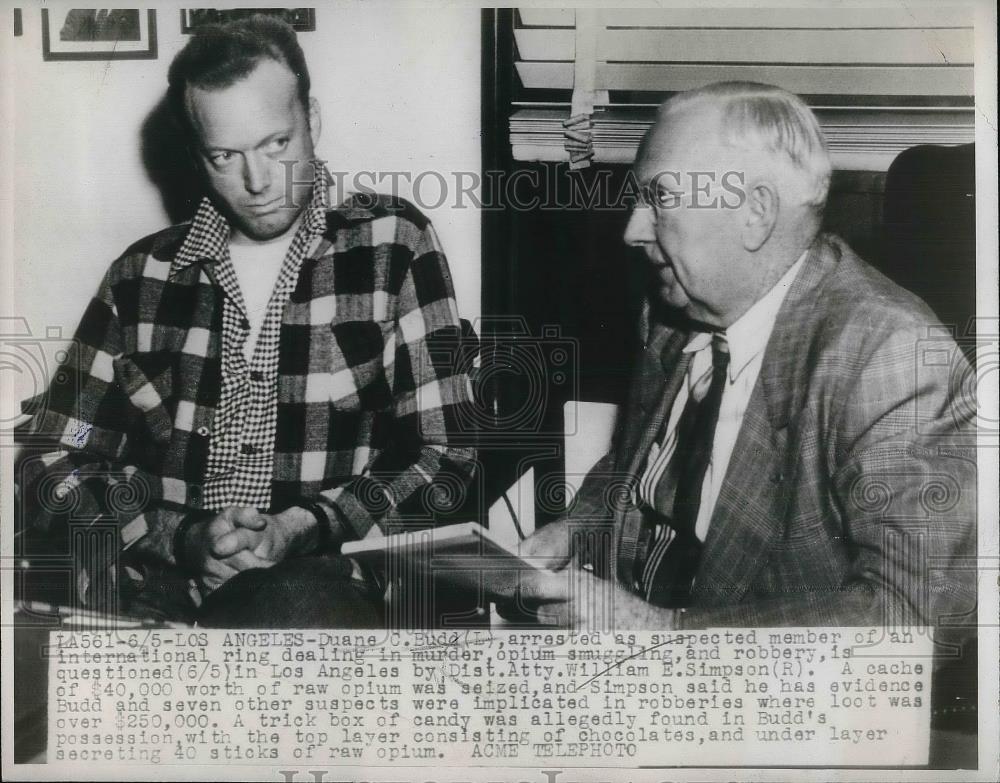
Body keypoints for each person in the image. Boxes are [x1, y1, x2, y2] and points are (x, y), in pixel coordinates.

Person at [16, 15, 476, 625]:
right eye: (225, 156)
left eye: (276, 144)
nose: (257, 182)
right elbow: (49, 461)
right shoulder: (139, 276)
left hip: (320, 591)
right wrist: (178, 537)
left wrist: (307, 526)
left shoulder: (395, 245)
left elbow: (448, 452)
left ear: (311, 121)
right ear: (195, 152)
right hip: (157, 597)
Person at [519, 82, 977, 630]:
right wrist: (573, 528)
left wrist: (662, 633)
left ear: (754, 212)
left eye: (659, 198)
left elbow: (915, 615)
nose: (632, 230)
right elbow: (633, 465)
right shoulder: (673, 312)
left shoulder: (891, 358)